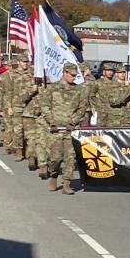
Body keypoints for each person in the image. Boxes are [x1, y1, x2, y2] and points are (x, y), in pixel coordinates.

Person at [38, 63, 87, 195]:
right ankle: (53, 175)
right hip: (55, 129)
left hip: (71, 129)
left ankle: (66, 184)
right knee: (55, 158)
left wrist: (74, 121)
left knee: (70, 157)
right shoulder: (52, 88)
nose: (73, 78)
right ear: (65, 73)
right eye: (71, 75)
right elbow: (45, 106)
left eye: (75, 75)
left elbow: (82, 108)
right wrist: (51, 121)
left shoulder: (78, 90)